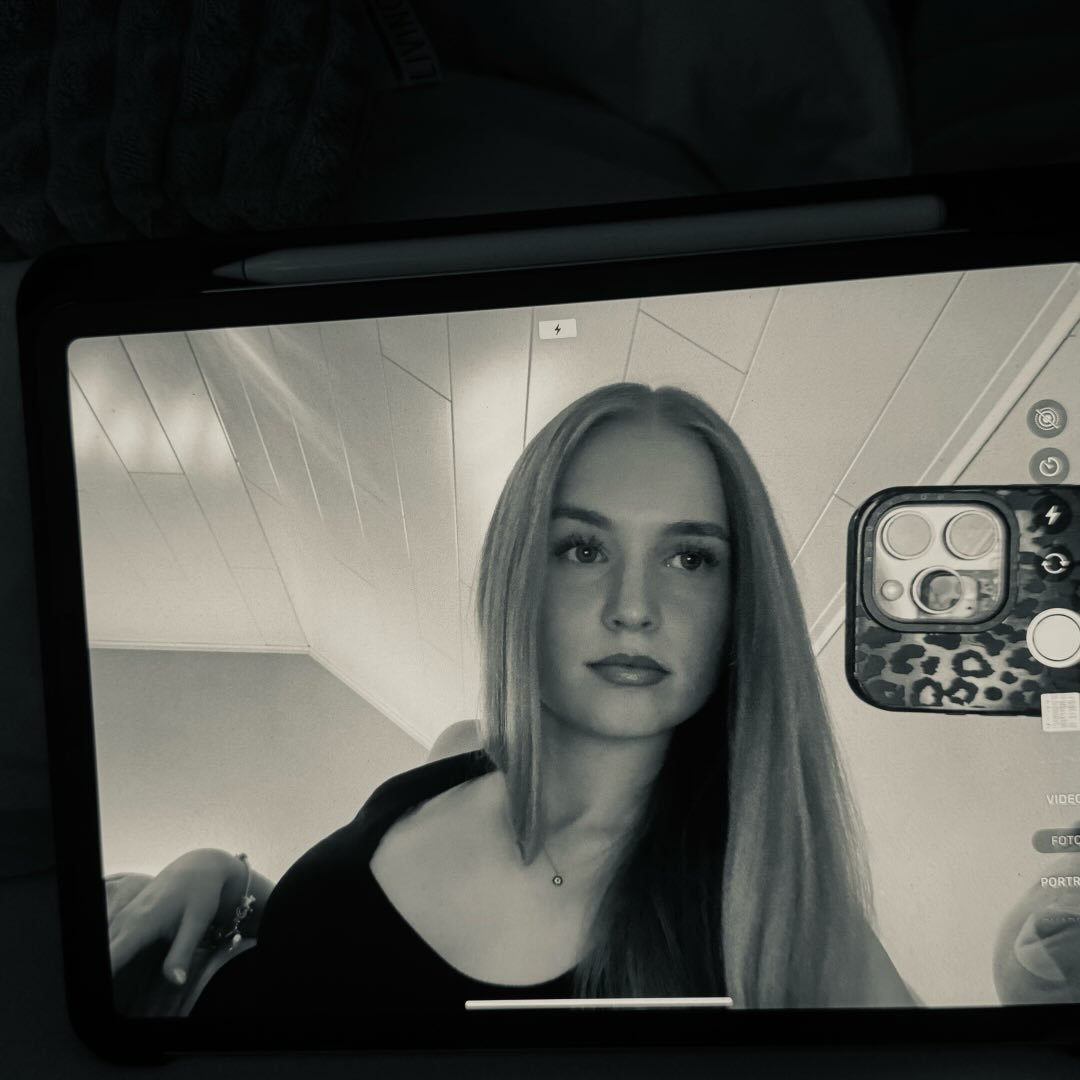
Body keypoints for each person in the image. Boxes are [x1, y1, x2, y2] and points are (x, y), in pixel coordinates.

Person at [107, 381, 917, 1014]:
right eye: (583, 548)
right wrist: (228, 880)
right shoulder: (458, 748)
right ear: (519, 574)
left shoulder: (776, 902)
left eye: (690, 559)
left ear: (742, 606)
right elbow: (328, 961)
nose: (633, 607)